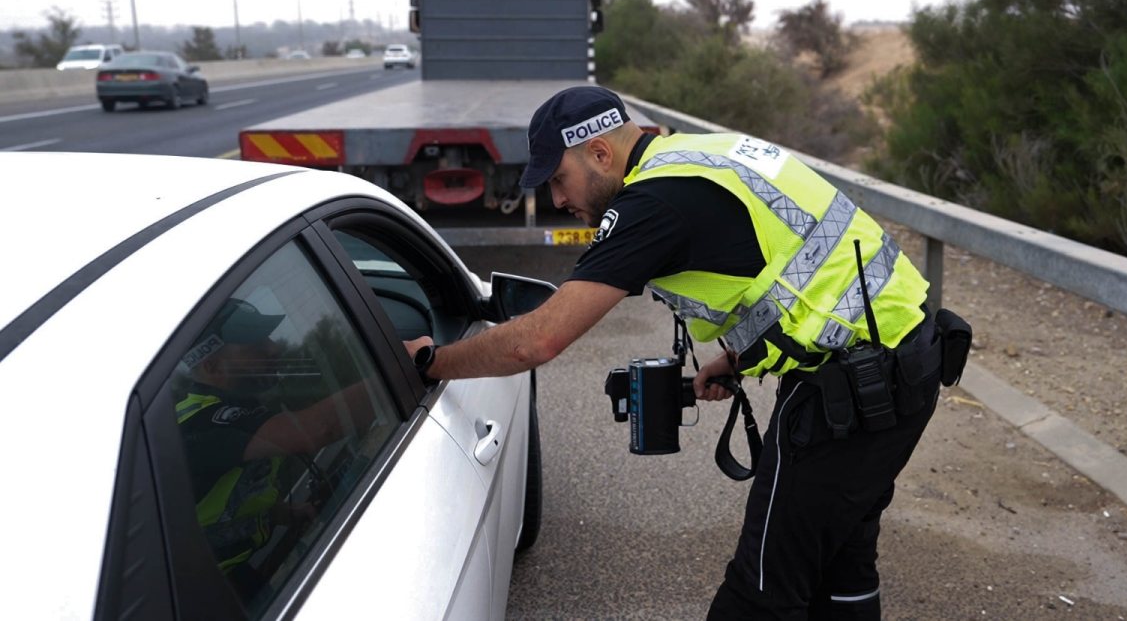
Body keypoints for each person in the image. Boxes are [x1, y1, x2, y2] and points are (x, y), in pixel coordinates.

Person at [404, 86, 964, 619]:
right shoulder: (694, 153)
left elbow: (537, 338)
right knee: (842, 560)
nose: (557, 200)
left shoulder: (650, 202)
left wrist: (432, 360)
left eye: (559, 179)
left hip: (851, 392)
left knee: (762, 590)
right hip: (903, 361)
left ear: (599, 152)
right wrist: (740, 358)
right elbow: (799, 268)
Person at [175, 298, 377, 599]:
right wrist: (403, 364)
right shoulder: (198, 423)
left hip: (235, 573)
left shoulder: (239, 404)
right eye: (254, 345)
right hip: (203, 594)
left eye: (267, 338)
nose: (274, 348)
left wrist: (281, 513)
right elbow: (316, 431)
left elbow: (227, 496)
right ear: (211, 365)